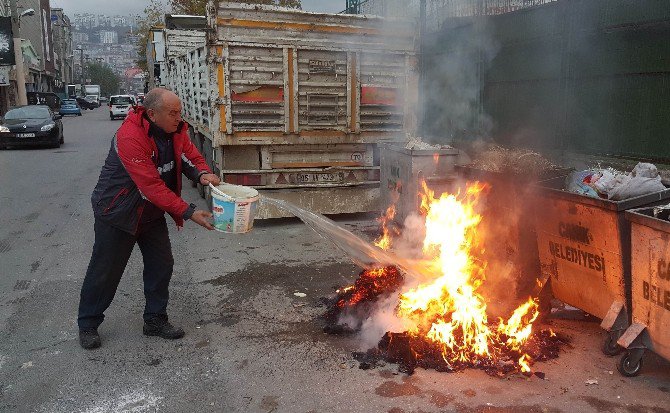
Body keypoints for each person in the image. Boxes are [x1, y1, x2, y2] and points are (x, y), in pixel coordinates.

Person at [77, 88, 220, 349]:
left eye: (180, 112)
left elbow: (188, 157)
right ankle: (88, 323)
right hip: (117, 212)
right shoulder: (130, 136)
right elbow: (150, 186)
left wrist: (202, 173)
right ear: (152, 114)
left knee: (161, 265)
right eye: (173, 113)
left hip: (150, 214)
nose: (179, 118)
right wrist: (188, 211)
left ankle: (154, 320)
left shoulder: (175, 131)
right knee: (105, 271)